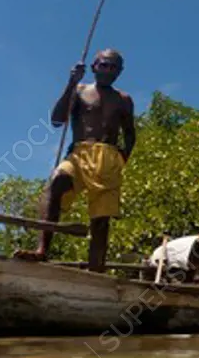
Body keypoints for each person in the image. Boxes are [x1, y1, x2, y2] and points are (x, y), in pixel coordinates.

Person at [15, 49, 136, 272]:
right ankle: (42, 249)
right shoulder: (80, 91)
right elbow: (56, 120)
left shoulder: (124, 100)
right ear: (94, 67)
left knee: (101, 219)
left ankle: (95, 268)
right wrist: (71, 83)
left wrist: (122, 158)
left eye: (114, 67)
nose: (108, 70)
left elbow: (130, 133)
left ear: (120, 72)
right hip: (80, 153)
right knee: (57, 181)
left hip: (109, 157)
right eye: (104, 65)